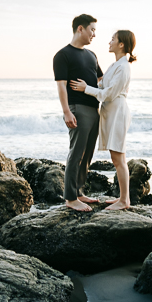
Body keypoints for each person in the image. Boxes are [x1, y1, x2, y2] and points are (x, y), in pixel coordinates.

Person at [70, 29, 137, 211]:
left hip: (117, 113)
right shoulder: (116, 65)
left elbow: (108, 94)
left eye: (113, 39)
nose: (109, 42)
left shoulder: (123, 67)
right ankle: (122, 198)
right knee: (116, 156)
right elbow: (102, 85)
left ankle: (124, 201)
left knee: (118, 158)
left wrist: (85, 89)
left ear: (121, 44)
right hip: (111, 113)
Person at [53, 13, 104, 212]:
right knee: (76, 152)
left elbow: (100, 79)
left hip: (94, 108)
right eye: (92, 30)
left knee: (87, 153)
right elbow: (61, 86)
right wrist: (66, 111)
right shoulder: (63, 55)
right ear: (80, 28)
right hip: (78, 109)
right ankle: (70, 198)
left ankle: (79, 191)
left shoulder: (91, 55)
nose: (94, 34)